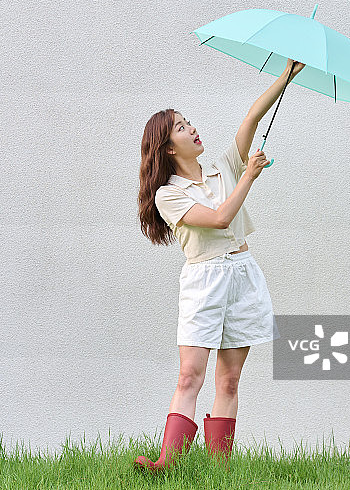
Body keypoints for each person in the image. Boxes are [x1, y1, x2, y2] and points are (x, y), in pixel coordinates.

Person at [134, 59, 305, 472]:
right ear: (169, 148)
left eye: (189, 121)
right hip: (204, 280)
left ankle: (220, 472)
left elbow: (251, 117)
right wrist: (249, 177)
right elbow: (219, 219)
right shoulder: (167, 195)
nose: (192, 127)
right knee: (190, 376)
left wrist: (284, 78)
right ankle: (167, 464)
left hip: (243, 274)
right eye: (181, 126)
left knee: (229, 380)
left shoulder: (222, 166)